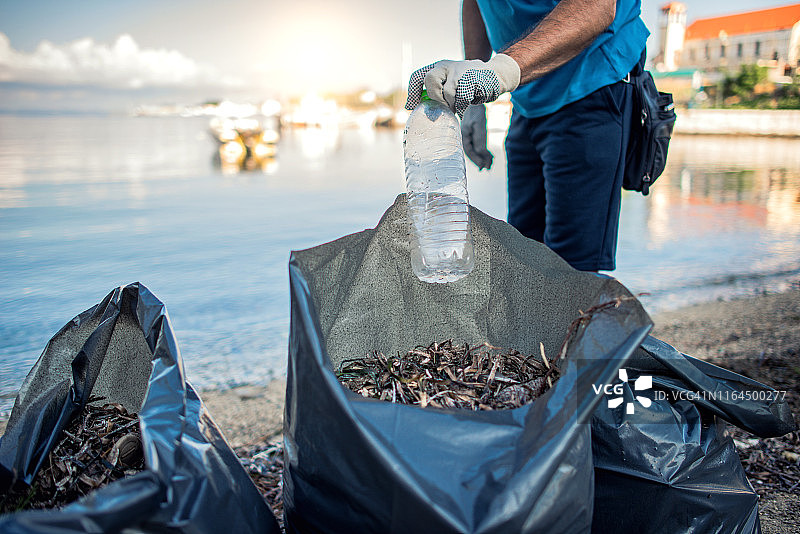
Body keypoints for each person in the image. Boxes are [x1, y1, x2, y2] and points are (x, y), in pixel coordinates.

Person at [405, 0, 649, 272]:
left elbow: (596, 6)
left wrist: (499, 72)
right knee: (522, 249)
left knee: (570, 266)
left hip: (591, 83)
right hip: (526, 94)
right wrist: (475, 99)